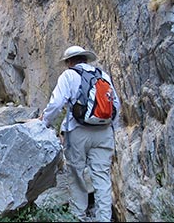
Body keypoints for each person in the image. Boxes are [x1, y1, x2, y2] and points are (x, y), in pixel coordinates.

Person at [38, 46, 120, 222]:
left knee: (76, 175)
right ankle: (104, 218)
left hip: (78, 132)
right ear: (85, 59)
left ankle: (78, 216)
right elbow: (116, 105)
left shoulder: (69, 75)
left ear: (69, 62)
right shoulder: (102, 76)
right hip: (104, 132)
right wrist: (110, 127)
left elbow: (57, 102)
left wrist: (43, 122)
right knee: (102, 176)